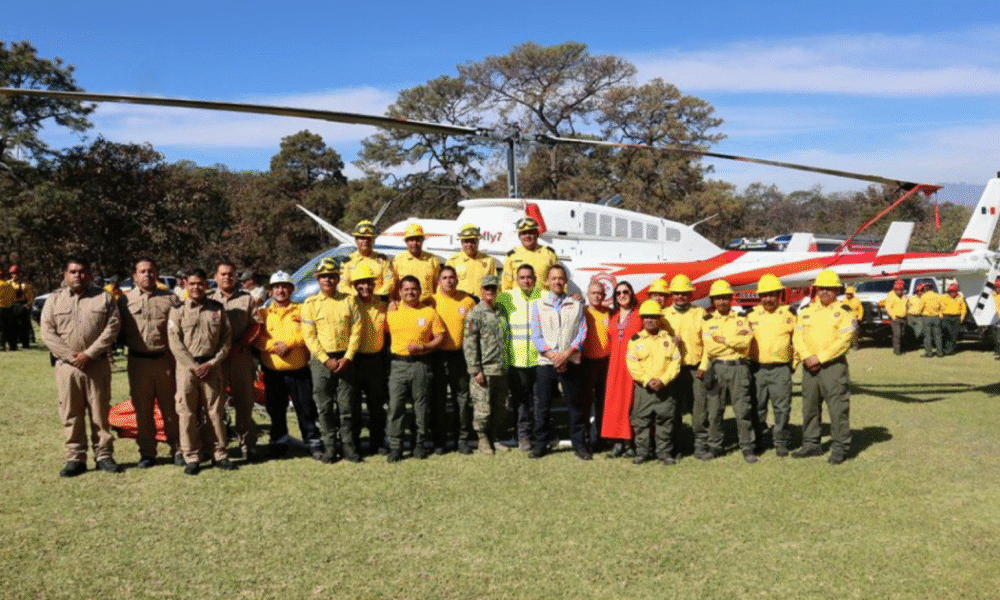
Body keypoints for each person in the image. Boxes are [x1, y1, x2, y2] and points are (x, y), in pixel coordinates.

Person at [40, 256, 122, 477]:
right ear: (65, 275)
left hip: (96, 364)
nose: (78, 275)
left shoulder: (103, 298)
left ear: (90, 274)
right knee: (71, 413)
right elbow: (47, 332)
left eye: (83, 271)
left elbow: (112, 328)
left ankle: (104, 456)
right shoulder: (54, 300)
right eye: (73, 272)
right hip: (68, 367)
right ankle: (75, 458)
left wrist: (89, 354)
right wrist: (70, 356)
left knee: (100, 412)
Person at [167, 268, 234, 475]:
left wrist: (212, 363)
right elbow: (175, 343)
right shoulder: (177, 310)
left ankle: (219, 454)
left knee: (215, 412)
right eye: (192, 283)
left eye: (200, 283)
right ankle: (192, 456)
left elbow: (226, 340)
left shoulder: (217, 309)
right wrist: (193, 366)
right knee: (186, 412)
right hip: (187, 369)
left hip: (211, 367)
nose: (196, 287)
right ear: (185, 284)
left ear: (206, 284)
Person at [118, 256, 183, 468]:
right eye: (143, 271)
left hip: (165, 360)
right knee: (143, 410)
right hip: (138, 362)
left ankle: (179, 449)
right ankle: (147, 453)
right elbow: (117, 330)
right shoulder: (125, 301)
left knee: (171, 408)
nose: (147, 274)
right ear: (135, 276)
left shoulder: (171, 298)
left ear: (157, 273)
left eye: (151, 270)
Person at [255, 271, 323, 461]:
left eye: (285, 287)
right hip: (273, 371)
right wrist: (271, 346)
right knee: (276, 410)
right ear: (270, 291)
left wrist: (289, 344)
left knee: (306, 409)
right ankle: (278, 443)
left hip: (299, 371)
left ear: (292, 290)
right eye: (276, 287)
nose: (280, 290)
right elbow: (255, 336)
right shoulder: (263, 313)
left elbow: (310, 332)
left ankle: (313, 443)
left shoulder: (302, 310)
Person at [301, 258, 362, 463]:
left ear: (337, 279)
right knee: (324, 407)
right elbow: (309, 336)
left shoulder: (349, 300)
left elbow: (357, 332)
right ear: (318, 280)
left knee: (346, 407)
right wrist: (325, 359)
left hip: (346, 359)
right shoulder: (310, 304)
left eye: (331, 276)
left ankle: (348, 447)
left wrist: (348, 357)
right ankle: (329, 447)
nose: (327, 280)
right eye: (323, 277)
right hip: (321, 361)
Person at [792, 269, 856, 464]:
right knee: (809, 408)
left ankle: (840, 447)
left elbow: (845, 340)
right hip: (809, 367)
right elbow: (797, 337)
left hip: (832, 367)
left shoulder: (844, 312)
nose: (825, 292)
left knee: (837, 409)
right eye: (821, 288)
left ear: (837, 290)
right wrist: (806, 357)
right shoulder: (806, 311)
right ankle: (811, 444)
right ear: (816, 290)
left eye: (829, 288)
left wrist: (819, 358)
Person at [529, 263, 589, 459]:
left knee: (575, 406)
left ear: (566, 281)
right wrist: (554, 356)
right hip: (546, 363)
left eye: (561, 278)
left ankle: (579, 445)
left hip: (570, 362)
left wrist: (565, 355)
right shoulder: (539, 305)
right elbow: (536, 335)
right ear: (547, 281)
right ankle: (540, 444)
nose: (557, 281)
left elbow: (582, 333)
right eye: (553, 278)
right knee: (543, 407)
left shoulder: (576, 304)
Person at [385, 275, 446, 462]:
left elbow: (440, 337)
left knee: (421, 407)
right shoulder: (392, 311)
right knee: (396, 406)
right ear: (400, 292)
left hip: (421, 364)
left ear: (419, 291)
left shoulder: (429, 312)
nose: (410, 292)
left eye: (414, 289)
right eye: (406, 289)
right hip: (398, 365)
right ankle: (395, 446)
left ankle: (419, 443)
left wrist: (424, 347)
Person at [699, 279, 756, 463]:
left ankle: (747, 447)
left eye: (725, 297)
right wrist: (733, 341)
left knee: (743, 410)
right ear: (712, 301)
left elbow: (746, 343)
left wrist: (724, 340)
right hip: (718, 368)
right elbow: (711, 347)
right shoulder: (707, 321)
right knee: (714, 410)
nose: (721, 301)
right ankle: (715, 446)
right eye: (718, 298)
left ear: (730, 299)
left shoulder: (741, 318)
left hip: (739, 368)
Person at [208, 261, 260, 462]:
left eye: (230, 274)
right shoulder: (208, 299)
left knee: (244, 403)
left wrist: (241, 344)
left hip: (240, 357)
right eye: (222, 274)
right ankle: (216, 447)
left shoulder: (247, 300)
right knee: (214, 404)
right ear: (215, 277)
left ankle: (248, 446)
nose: (227, 277)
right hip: (215, 359)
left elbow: (256, 326)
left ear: (236, 276)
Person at [626, 300, 683, 466]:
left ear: (659, 319)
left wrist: (663, 380)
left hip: (665, 389)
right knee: (641, 422)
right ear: (642, 319)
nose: (649, 320)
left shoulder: (669, 340)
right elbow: (632, 364)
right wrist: (647, 380)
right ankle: (642, 453)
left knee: (665, 421)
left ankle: (664, 453)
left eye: (653, 317)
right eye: (646, 317)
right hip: (644, 389)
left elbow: (676, 362)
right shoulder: (635, 341)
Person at [427, 266, 476, 454]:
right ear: (438, 281)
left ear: (457, 279)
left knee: (462, 399)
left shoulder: (467, 300)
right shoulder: (430, 301)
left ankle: (462, 439)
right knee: (438, 399)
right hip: (437, 356)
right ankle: (440, 440)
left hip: (460, 356)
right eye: (445, 278)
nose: (448, 281)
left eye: (451, 277)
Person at [747, 274, 795, 457]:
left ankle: (781, 442)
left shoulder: (789, 314)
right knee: (757, 407)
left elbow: (797, 340)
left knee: (782, 408)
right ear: (759, 296)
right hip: (757, 369)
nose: (768, 299)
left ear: (778, 295)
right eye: (764, 295)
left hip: (781, 369)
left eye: (772, 294)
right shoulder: (750, 316)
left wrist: (793, 364)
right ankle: (758, 441)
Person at [661, 274, 708, 459]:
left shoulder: (700, 313)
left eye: (684, 293)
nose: (680, 296)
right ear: (671, 295)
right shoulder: (664, 315)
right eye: (677, 293)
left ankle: (700, 445)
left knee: (699, 408)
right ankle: (676, 446)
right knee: (673, 408)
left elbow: (708, 343)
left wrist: (704, 365)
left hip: (696, 368)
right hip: (674, 370)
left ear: (690, 295)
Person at [496, 264, 543, 451]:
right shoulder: (506, 297)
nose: (526, 281)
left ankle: (541, 434)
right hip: (516, 360)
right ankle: (523, 436)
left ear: (535, 278)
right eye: (522, 277)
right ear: (516, 280)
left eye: (529, 277)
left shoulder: (544, 296)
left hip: (540, 359)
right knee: (521, 402)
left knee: (540, 401)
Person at [463, 274, 509, 455]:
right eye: (487, 288)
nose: (490, 291)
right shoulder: (475, 313)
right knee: (483, 409)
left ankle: (494, 437)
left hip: (500, 368)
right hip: (484, 370)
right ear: (481, 290)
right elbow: (469, 343)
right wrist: (475, 370)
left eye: (493, 288)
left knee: (500, 407)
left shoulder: (501, 312)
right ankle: (482, 440)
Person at [350, 264, 390, 455]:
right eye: (361, 283)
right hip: (354, 360)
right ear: (354, 285)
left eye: (368, 283)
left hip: (376, 361)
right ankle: (355, 443)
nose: (365, 287)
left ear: (374, 285)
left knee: (376, 405)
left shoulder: (383, 304)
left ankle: (378, 441)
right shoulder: (350, 303)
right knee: (354, 404)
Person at [602, 281, 641, 458]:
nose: (622, 295)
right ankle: (617, 441)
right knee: (614, 403)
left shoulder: (639, 315)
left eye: (625, 292)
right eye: (618, 293)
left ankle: (631, 442)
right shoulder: (613, 315)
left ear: (632, 294)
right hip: (614, 366)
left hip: (632, 365)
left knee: (631, 403)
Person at [580, 281, 611, 452]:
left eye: (600, 293)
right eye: (594, 293)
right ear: (588, 294)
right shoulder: (582, 312)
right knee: (585, 402)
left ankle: (601, 438)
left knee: (603, 403)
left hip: (605, 363)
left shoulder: (609, 313)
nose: (597, 296)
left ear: (604, 296)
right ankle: (585, 437)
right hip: (586, 363)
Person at [339, 220, 396, 296]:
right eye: (362, 238)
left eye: (368, 238)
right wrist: (359, 298)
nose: (365, 241)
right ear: (356, 241)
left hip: (378, 300)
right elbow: (343, 285)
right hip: (355, 301)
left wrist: (374, 297)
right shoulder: (348, 262)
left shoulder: (382, 260)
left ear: (373, 241)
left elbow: (390, 282)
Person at [501, 217, 558, 291]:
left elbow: (559, 280)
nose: (527, 236)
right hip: (518, 298)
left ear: (537, 234)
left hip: (543, 297)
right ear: (519, 236)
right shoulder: (512, 256)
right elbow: (506, 284)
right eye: (524, 233)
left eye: (531, 232)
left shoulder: (549, 254)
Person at [391, 223, 441, 301]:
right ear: (406, 241)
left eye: (418, 240)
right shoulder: (398, 260)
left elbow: (437, 286)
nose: (414, 243)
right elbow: (394, 286)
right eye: (411, 240)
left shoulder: (433, 260)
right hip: (405, 305)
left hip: (427, 304)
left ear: (423, 241)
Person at [446, 224, 497, 296]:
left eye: (473, 241)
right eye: (466, 241)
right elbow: (444, 286)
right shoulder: (453, 261)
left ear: (478, 242)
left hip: (481, 301)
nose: (469, 245)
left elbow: (494, 286)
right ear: (461, 242)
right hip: (460, 300)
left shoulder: (488, 261)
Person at [9, 265, 35, 348]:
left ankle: (25, 343)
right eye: (13, 273)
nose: (14, 275)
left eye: (16, 273)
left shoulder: (25, 285)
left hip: (22, 307)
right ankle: (13, 344)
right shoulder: (8, 284)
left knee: (24, 327)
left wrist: (28, 305)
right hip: (11, 307)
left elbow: (30, 298)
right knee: (12, 327)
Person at [882, 279, 908, 355]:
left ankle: (901, 348)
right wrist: (893, 316)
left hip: (904, 318)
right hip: (896, 318)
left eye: (901, 289)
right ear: (895, 288)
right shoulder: (890, 295)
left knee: (902, 334)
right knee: (897, 335)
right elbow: (888, 307)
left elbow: (906, 305)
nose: (900, 291)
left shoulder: (904, 296)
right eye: (898, 289)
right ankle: (897, 351)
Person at [940, 282, 966, 356]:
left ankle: (952, 349)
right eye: (951, 291)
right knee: (947, 334)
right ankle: (948, 349)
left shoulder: (960, 298)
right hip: (946, 317)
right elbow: (940, 308)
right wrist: (941, 316)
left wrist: (961, 318)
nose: (952, 293)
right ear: (948, 291)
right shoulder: (943, 297)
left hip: (956, 317)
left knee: (954, 334)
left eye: (954, 291)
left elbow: (963, 309)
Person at [920, 282, 943, 357]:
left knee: (927, 336)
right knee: (938, 336)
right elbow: (942, 307)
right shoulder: (938, 296)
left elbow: (920, 307)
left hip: (927, 317)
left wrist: (920, 313)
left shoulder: (924, 296)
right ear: (932, 288)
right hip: (936, 317)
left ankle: (929, 353)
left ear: (925, 289)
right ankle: (940, 353)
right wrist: (940, 315)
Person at [0, 270, 16, 351]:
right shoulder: (9, 285)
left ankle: (1, 345)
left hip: (0, 308)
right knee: (10, 328)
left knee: (1, 329)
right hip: (9, 308)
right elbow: (14, 298)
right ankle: (12, 346)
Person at [906, 285, 925, 349]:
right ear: (916, 292)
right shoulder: (912, 298)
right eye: (918, 291)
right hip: (910, 316)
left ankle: (914, 342)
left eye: (921, 291)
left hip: (919, 317)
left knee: (919, 332)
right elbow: (908, 306)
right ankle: (910, 346)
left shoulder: (924, 298)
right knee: (910, 331)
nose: (919, 292)